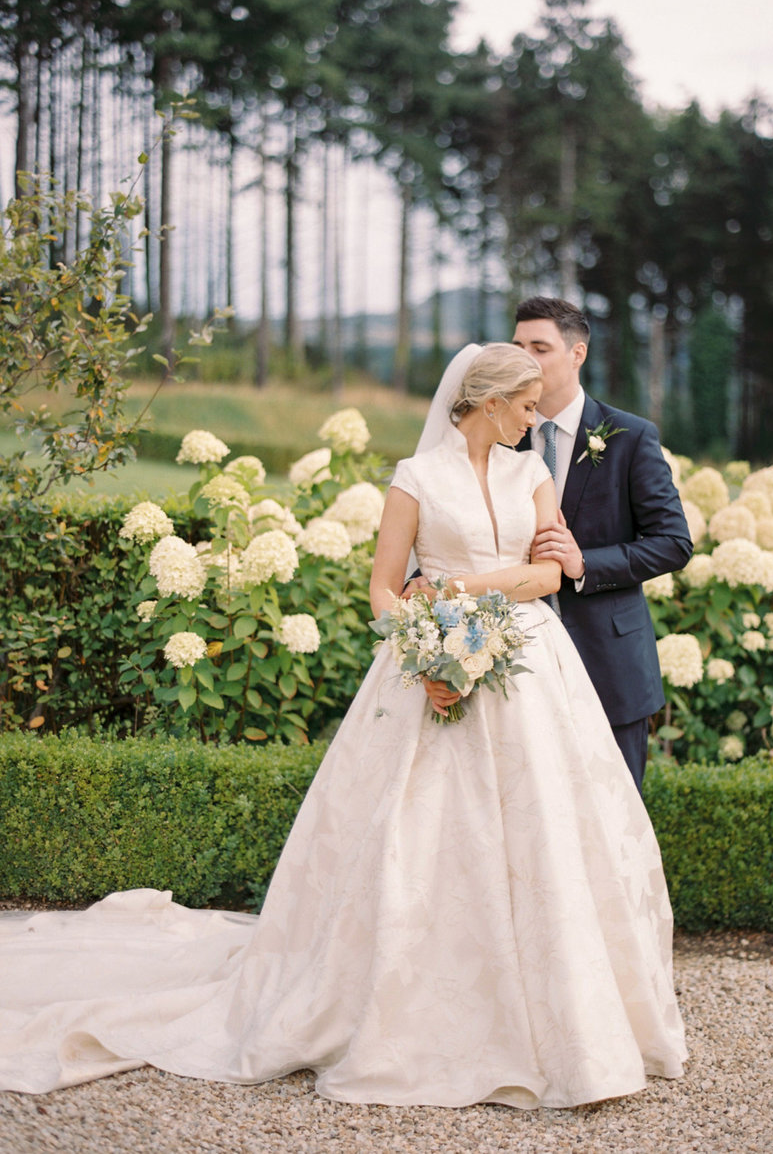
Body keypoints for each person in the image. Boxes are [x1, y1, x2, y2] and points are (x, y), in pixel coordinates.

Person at [0, 344, 686, 1108]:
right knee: (417, 838)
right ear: (489, 403)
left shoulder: (532, 475)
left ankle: (558, 1017)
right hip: (431, 671)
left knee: (548, 834)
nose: (536, 418)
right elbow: (384, 588)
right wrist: (423, 649)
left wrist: (460, 590)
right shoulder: (416, 478)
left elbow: (548, 574)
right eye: (526, 405)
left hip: (530, 670)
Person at [512, 297, 693, 792]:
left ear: (577, 354)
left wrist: (583, 562)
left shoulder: (631, 437)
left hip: (608, 668)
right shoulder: (502, 441)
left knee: (616, 832)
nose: (525, 359)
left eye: (540, 347)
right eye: (517, 346)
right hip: (516, 669)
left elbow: (674, 542)